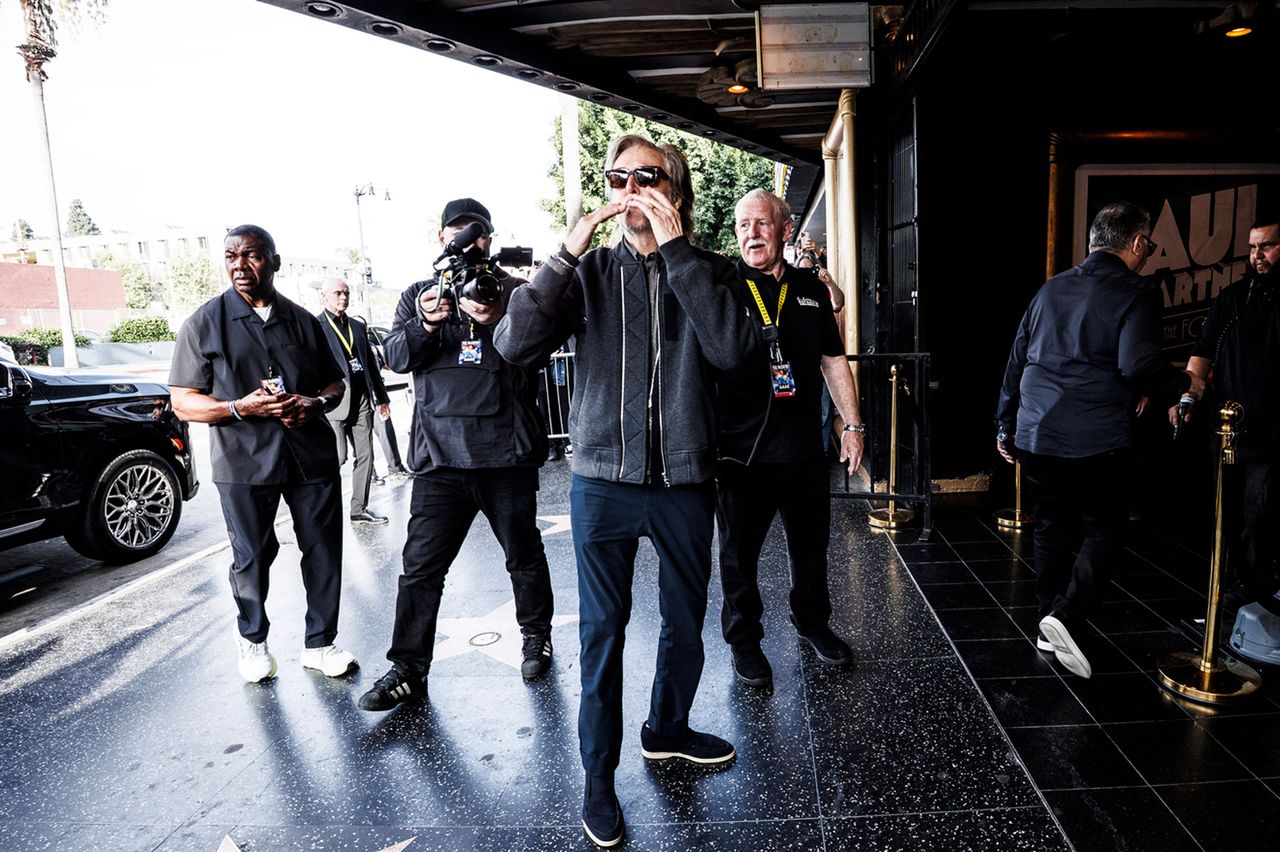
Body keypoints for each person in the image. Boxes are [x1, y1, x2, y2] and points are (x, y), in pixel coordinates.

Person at [495, 134, 757, 849]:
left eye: (650, 176)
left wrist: (677, 258)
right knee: (601, 633)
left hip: (683, 480)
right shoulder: (587, 274)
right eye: (620, 177)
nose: (633, 188)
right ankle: (597, 777)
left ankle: (666, 728)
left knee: (683, 621)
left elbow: (736, 353)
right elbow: (514, 349)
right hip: (602, 484)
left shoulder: (713, 270)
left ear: (676, 191)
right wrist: (561, 256)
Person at [357, 198, 556, 712]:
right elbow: (396, 359)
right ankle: (408, 667)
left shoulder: (516, 292)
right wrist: (425, 323)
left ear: (490, 239)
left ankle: (536, 637)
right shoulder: (417, 295)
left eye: (479, 233)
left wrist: (494, 318)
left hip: (505, 456)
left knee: (523, 556)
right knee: (420, 568)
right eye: (458, 234)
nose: (470, 244)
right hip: (440, 462)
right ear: (441, 239)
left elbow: (534, 352)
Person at [995, 202, 1203, 679]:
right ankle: (1066, 617)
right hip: (1093, 437)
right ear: (1134, 244)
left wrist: (1005, 424)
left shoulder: (1050, 290)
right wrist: (1181, 386)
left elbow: (1015, 360)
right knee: (1106, 527)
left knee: (1050, 524)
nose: (1149, 253)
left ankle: (1049, 618)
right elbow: (1137, 365)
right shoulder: (1138, 291)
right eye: (1148, 245)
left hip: (1036, 431)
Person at [170, 225, 357, 683]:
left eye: (250, 255)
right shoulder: (204, 323)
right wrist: (238, 407)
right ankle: (252, 640)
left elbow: (335, 382)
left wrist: (313, 403)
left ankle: (320, 643)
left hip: (309, 454)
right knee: (252, 555)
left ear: (274, 261)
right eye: (231, 256)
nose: (239, 265)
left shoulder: (302, 321)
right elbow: (183, 400)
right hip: (243, 461)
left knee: (322, 550)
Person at [715, 189, 866, 690]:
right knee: (739, 556)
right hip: (741, 453)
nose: (750, 233)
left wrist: (853, 425)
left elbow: (832, 361)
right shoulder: (723, 285)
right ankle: (745, 642)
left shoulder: (809, 288)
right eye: (742, 226)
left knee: (811, 548)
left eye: (760, 224)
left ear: (784, 230)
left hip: (801, 449)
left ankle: (813, 624)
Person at [1170, 213, 1280, 617]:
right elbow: (1200, 355)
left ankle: (1254, 593)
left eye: (1266, 246)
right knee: (1225, 514)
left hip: (1271, 434)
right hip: (1228, 429)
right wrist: (1188, 397)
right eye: (1252, 247)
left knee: (1258, 513)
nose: (1257, 255)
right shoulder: (1232, 298)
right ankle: (1230, 591)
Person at [318, 279, 390, 525]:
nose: (343, 297)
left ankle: (359, 508)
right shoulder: (315, 326)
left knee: (366, 455)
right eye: (338, 293)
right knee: (336, 458)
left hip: (361, 401)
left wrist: (382, 398)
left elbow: (370, 364)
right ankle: (322, 511)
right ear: (324, 296)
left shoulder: (357, 327)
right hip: (334, 404)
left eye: (346, 293)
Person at [355, 314, 410, 483]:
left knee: (386, 432)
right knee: (362, 443)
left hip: (376, 398)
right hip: (358, 402)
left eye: (362, 326)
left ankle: (395, 468)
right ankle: (370, 475)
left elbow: (383, 366)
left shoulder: (371, 347)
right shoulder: (348, 348)